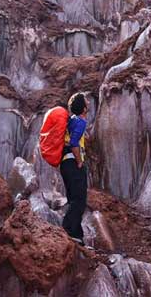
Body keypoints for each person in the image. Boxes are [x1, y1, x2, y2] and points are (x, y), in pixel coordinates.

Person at [60, 92, 88, 244]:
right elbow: (74, 142)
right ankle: (67, 229)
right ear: (83, 108)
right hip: (72, 162)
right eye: (86, 101)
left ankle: (77, 236)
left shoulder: (71, 121)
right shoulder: (80, 121)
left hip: (64, 164)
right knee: (80, 199)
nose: (88, 103)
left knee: (73, 198)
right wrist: (79, 162)